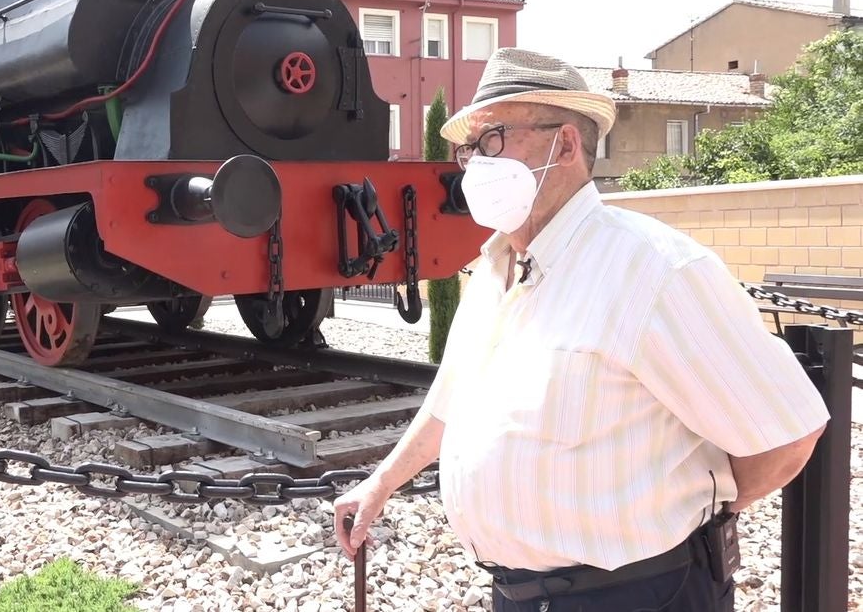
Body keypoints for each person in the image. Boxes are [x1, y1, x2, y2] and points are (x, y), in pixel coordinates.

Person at [333, 48, 830, 611]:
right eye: (467, 149)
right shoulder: (496, 268)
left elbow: (787, 433)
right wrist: (381, 484)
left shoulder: (653, 270)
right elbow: (452, 402)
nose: (473, 164)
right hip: (518, 593)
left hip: (638, 594)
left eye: (492, 139)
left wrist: (692, 513)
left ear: (565, 145)